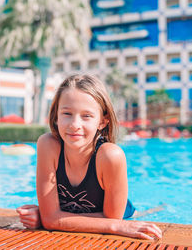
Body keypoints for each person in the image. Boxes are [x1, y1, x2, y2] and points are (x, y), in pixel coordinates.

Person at [17, 74, 162, 240]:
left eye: (86, 116)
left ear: (102, 121)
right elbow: (51, 220)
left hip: (130, 217)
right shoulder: (47, 145)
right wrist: (48, 218)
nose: (74, 125)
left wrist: (49, 218)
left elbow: (113, 222)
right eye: (67, 113)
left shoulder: (110, 156)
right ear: (56, 116)